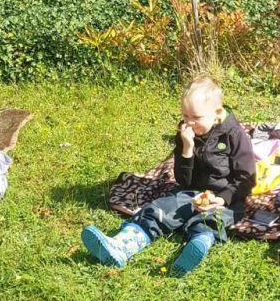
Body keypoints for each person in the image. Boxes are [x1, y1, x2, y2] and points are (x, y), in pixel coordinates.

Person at [81, 76, 256, 276]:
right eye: (185, 115)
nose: (189, 122)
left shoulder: (234, 135)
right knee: (160, 208)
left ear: (216, 113)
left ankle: (197, 246)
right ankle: (122, 245)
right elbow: (183, 180)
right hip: (191, 191)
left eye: (196, 117)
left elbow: (246, 177)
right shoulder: (186, 132)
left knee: (211, 220)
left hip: (228, 198)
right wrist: (187, 148)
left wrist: (222, 198)